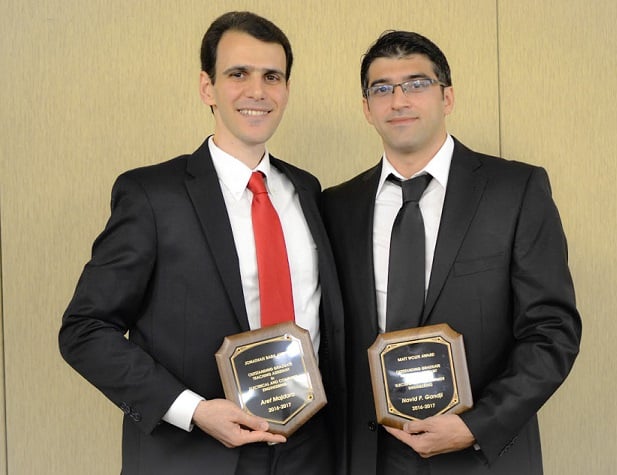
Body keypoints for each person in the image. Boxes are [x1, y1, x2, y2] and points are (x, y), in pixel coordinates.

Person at [59, 11, 346, 475]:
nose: (257, 91)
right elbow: (85, 330)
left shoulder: (308, 191)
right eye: (238, 74)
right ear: (207, 87)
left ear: (286, 90)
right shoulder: (152, 195)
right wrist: (192, 410)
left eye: (272, 76)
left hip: (310, 452)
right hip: (197, 453)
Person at [322, 30, 581, 475]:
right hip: (368, 455)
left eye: (416, 83)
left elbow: (552, 330)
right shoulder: (335, 206)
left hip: (479, 455)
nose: (398, 100)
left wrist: (476, 426)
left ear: (448, 97)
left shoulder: (515, 191)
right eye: (381, 89)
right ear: (367, 108)